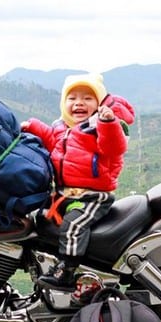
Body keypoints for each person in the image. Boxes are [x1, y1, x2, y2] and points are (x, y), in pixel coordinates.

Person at [22, 72, 135, 289]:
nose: (79, 103)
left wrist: (108, 122)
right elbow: (50, 137)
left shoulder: (100, 128)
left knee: (73, 224)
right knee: (37, 217)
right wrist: (32, 126)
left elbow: (115, 146)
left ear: (99, 103)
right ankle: (42, 261)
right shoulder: (63, 128)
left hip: (93, 197)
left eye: (87, 98)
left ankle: (68, 268)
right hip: (64, 193)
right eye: (72, 98)